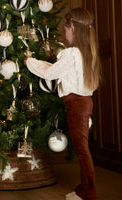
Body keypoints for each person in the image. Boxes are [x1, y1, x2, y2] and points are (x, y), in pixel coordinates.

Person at [25, 8, 101, 200]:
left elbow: (50, 74)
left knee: (82, 150)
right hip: (83, 102)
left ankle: (87, 192)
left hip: (76, 104)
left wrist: (29, 62)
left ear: (73, 28)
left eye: (65, 29)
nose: (64, 33)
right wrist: (34, 62)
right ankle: (85, 189)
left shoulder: (71, 53)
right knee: (82, 148)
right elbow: (55, 69)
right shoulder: (84, 52)